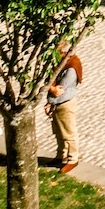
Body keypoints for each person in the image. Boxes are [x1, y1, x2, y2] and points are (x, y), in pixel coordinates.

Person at [45, 43, 82, 174]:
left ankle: (73, 159)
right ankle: (61, 155)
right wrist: (50, 99)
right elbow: (49, 82)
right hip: (57, 103)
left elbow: (59, 90)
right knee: (58, 131)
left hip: (65, 103)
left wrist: (50, 100)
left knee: (69, 133)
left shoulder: (71, 69)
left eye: (59, 52)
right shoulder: (61, 65)